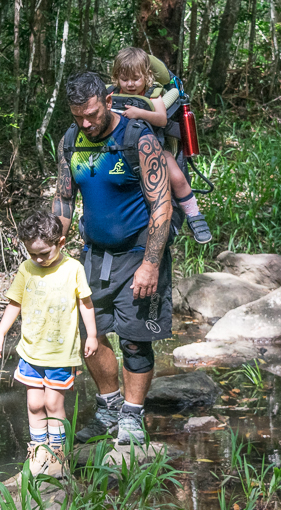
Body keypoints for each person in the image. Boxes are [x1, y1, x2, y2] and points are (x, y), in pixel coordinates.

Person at [53, 71, 173, 446]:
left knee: (135, 341)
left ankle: (133, 417)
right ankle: (109, 408)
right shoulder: (71, 141)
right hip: (94, 256)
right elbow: (64, 199)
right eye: (78, 117)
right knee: (92, 334)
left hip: (139, 255)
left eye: (91, 114)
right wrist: (53, 251)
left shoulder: (138, 139)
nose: (86, 123)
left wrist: (151, 264)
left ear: (107, 101)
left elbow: (162, 204)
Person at [0, 210, 98, 477]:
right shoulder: (26, 269)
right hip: (31, 351)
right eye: (32, 254)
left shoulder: (73, 269)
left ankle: (58, 455)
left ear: (60, 243)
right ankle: (39, 452)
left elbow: (85, 303)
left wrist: (92, 335)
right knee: (34, 404)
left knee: (53, 403)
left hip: (60, 353)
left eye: (44, 253)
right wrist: (1, 332)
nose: (38, 259)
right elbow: (14, 303)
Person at [110, 47, 212, 244]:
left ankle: (194, 215)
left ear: (146, 76)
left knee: (177, 177)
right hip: (120, 150)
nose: (130, 84)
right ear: (116, 77)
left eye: (136, 79)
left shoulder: (153, 93)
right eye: (124, 79)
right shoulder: (112, 94)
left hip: (155, 149)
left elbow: (161, 119)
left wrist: (140, 113)